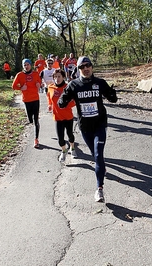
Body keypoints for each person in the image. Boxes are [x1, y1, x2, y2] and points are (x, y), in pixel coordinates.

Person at [58, 56, 118, 203]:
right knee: (94, 154)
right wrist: (63, 99)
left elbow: (113, 99)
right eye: (82, 67)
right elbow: (61, 103)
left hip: (99, 125)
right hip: (85, 127)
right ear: (78, 70)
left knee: (98, 155)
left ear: (92, 67)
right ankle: (101, 169)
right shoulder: (74, 85)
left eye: (88, 65)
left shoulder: (99, 83)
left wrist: (112, 93)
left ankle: (99, 189)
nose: (85, 68)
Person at [46, 69, 77, 162]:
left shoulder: (68, 87)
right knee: (60, 138)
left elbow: (74, 101)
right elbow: (48, 96)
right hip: (57, 117)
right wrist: (50, 104)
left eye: (59, 76)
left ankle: (72, 148)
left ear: (63, 77)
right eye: (55, 77)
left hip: (68, 116)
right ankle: (64, 151)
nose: (57, 79)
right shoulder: (50, 87)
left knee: (70, 135)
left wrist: (67, 104)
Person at [12, 58, 42, 148]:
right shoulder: (20, 75)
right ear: (23, 66)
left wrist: (38, 85)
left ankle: (36, 139)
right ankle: (33, 123)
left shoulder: (36, 74)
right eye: (24, 65)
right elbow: (13, 86)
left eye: (28, 64)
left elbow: (40, 83)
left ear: (31, 65)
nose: (26, 66)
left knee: (36, 120)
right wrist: (21, 88)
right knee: (30, 120)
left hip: (35, 99)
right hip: (26, 100)